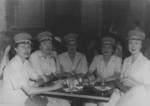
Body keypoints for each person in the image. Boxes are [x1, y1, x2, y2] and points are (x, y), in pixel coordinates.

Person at [2, 33, 70, 106]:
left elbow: (39, 78)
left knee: (64, 103)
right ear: (15, 49)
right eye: (23, 47)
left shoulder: (25, 63)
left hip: (27, 99)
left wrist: (36, 84)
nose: (26, 50)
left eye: (28, 47)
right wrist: (53, 87)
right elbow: (29, 91)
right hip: (14, 103)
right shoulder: (14, 65)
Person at [99, 29, 150, 106]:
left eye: (136, 43)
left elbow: (148, 89)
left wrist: (133, 82)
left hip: (136, 100)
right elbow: (121, 79)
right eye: (130, 43)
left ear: (142, 45)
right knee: (102, 103)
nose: (133, 46)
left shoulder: (146, 63)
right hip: (122, 93)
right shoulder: (126, 60)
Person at [85, 36, 122, 106]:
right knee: (88, 104)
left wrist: (103, 79)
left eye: (109, 47)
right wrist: (90, 76)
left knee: (103, 104)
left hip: (112, 89)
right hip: (98, 88)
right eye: (104, 47)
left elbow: (118, 76)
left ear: (112, 50)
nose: (106, 49)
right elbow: (88, 72)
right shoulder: (97, 58)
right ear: (101, 49)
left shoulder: (117, 59)